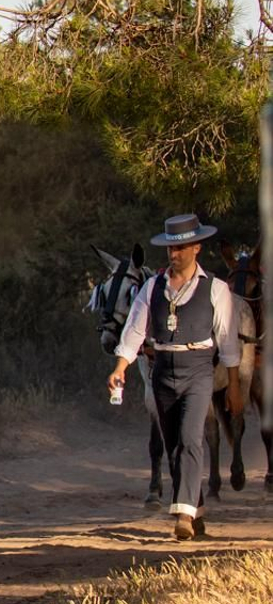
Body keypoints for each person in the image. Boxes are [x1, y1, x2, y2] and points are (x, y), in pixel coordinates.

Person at [107, 214, 242, 540]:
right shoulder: (152, 288)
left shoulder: (216, 289)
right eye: (170, 248)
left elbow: (227, 339)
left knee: (190, 438)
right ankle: (195, 506)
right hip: (161, 370)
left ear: (196, 247)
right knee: (173, 446)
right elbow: (135, 330)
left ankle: (182, 513)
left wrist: (234, 386)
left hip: (197, 369)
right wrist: (120, 367)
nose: (174, 253)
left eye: (180, 247)